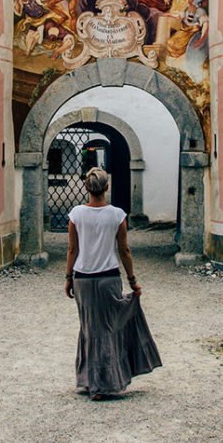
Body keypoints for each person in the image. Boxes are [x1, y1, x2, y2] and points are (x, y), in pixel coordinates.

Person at [65, 167, 162, 400]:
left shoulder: (76, 214)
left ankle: (91, 381)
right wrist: (133, 281)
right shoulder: (117, 215)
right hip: (109, 277)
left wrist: (68, 278)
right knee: (108, 328)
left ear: (86, 187)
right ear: (106, 187)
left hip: (83, 279)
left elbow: (72, 249)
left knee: (89, 328)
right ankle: (105, 382)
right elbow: (124, 250)